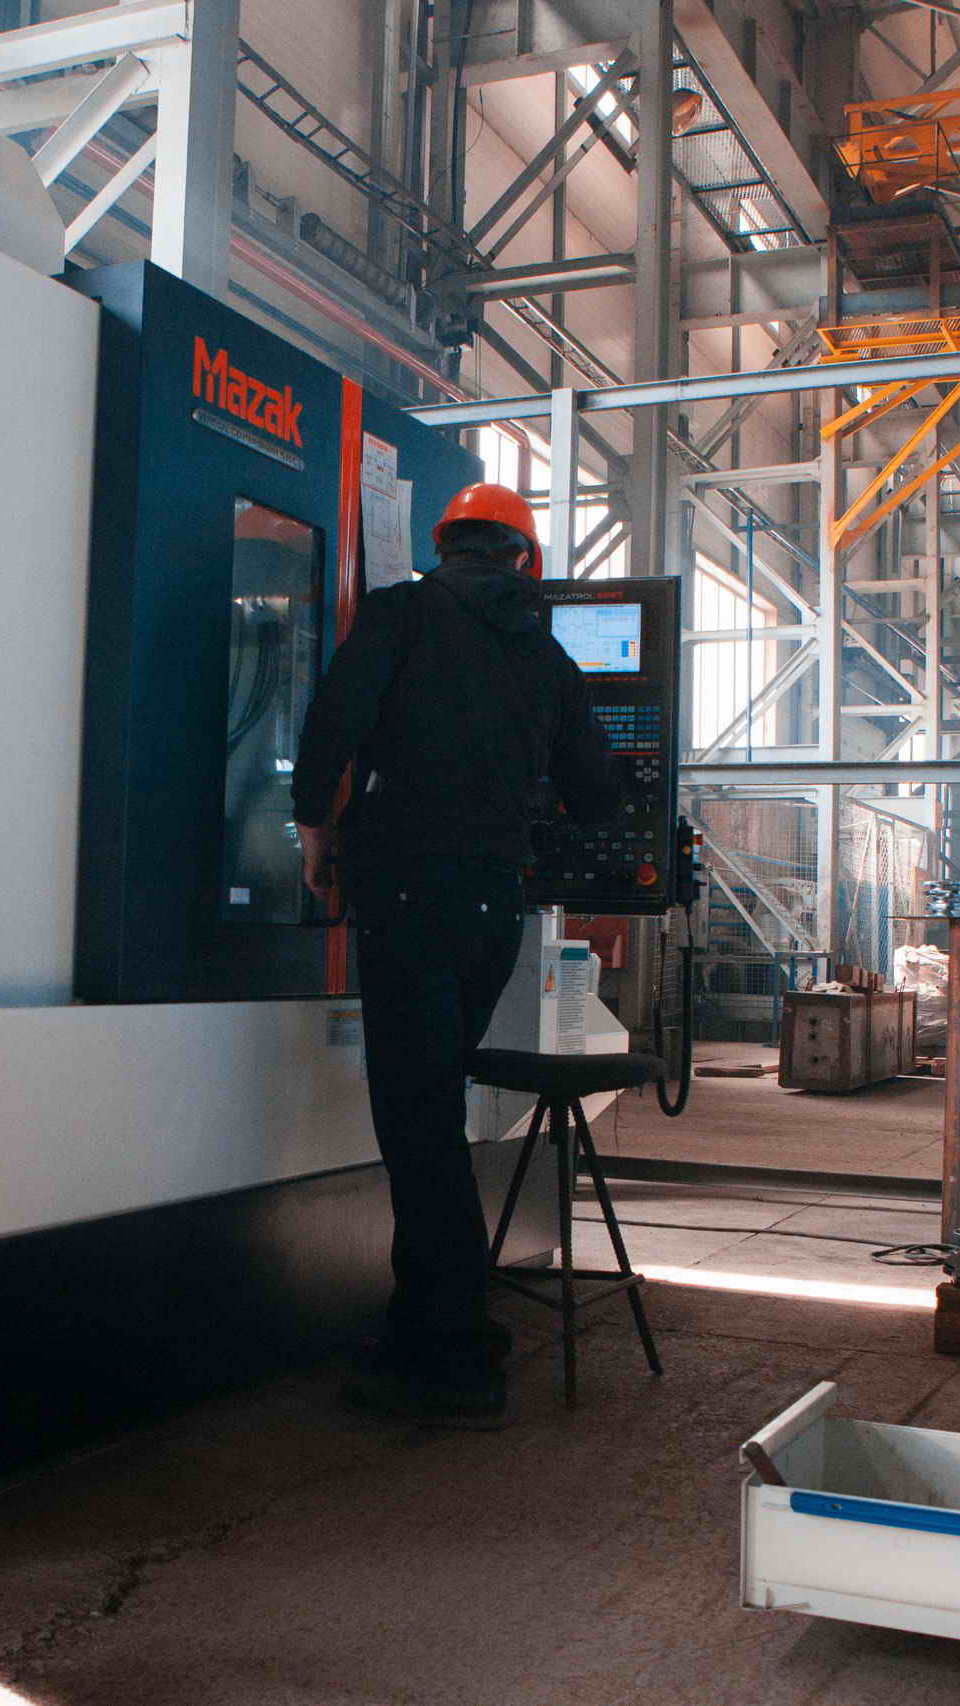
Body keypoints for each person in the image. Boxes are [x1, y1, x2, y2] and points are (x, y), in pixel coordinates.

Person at [291, 482, 620, 1427]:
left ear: (445, 546)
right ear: (525, 560)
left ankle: (455, 1363)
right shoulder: (547, 656)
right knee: (434, 1117)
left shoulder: (400, 613)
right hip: (492, 912)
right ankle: (421, 1326)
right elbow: (600, 796)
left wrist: (315, 831)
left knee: (419, 1127)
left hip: (407, 899)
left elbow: (332, 722)